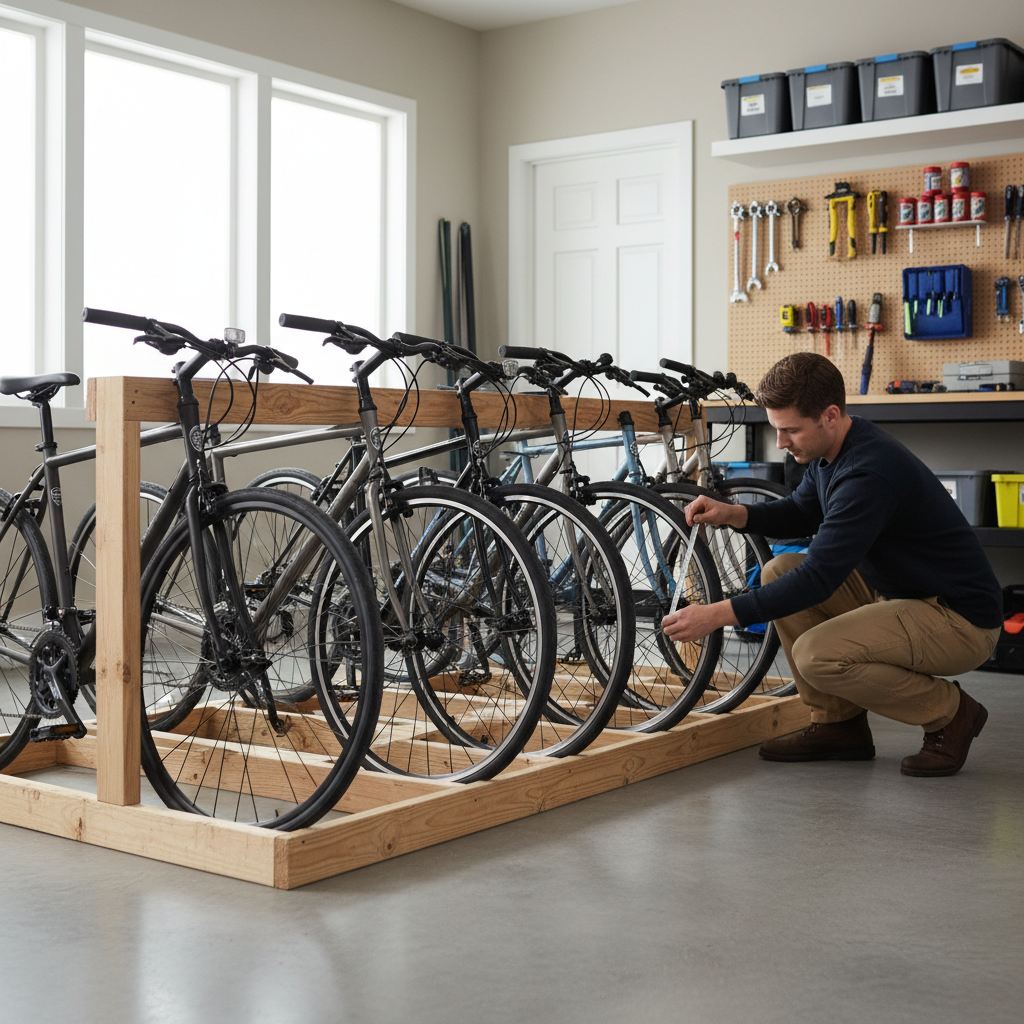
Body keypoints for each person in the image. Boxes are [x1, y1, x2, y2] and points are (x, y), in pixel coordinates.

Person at [662, 352, 1002, 776]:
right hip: (903, 593)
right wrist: (734, 513)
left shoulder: (867, 473)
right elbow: (803, 511)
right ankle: (839, 725)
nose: (782, 443)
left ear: (830, 415)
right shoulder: (833, 450)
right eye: (776, 430)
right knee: (777, 571)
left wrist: (718, 615)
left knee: (815, 655)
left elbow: (819, 578)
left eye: (790, 431)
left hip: (959, 618)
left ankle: (951, 714)